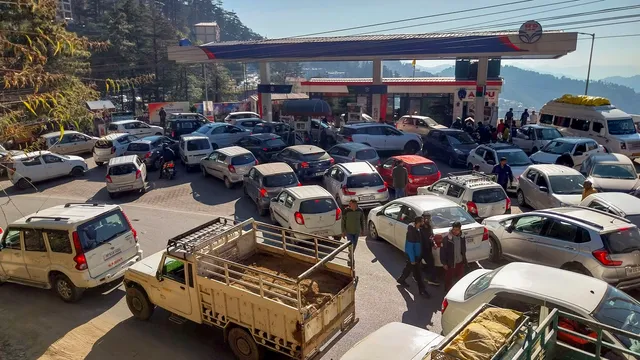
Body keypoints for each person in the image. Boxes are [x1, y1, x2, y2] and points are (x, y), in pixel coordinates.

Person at [397, 216, 429, 297]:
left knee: (408, 268)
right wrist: (412, 259)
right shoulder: (412, 232)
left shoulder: (417, 230)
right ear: (418, 223)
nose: (423, 223)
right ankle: (422, 290)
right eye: (422, 222)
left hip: (416, 255)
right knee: (418, 274)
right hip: (413, 256)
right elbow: (410, 247)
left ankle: (401, 279)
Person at [441, 221, 467, 291]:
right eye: (454, 229)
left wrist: (464, 258)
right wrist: (444, 263)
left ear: (460, 229)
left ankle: (458, 291)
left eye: (457, 230)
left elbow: (463, 248)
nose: (455, 231)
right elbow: (442, 251)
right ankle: (447, 291)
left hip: (460, 261)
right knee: (448, 278)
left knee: (459, 277)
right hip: (450, 262)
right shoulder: (447, 238)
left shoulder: (462, 237)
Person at [420, 212, 439, 286]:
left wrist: (433, 243)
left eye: (428, 218)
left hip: (427, 249)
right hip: (420, 249)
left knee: (431, 263)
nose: (427, 219)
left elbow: (431, 237)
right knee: (413, 264)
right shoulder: (419, 227)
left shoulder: (429, 227)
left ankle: (431, 279)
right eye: (425, 218)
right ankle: (403, 278)